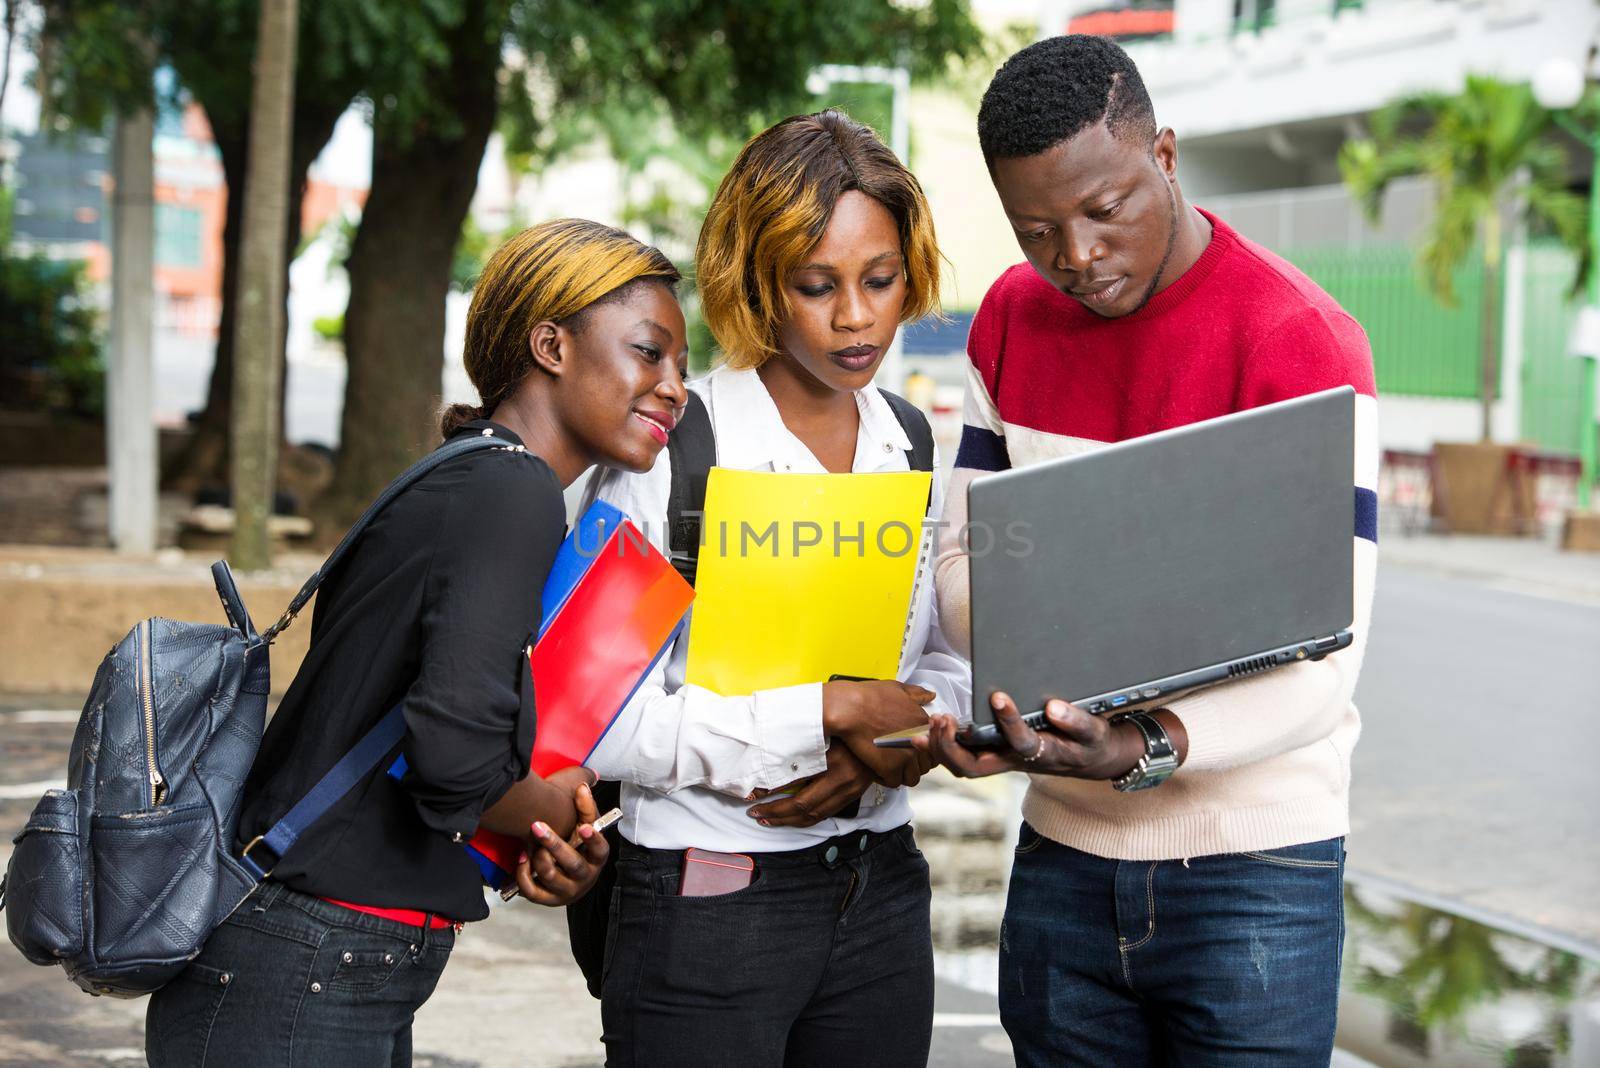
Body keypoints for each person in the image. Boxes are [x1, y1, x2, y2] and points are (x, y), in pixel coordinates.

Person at [919, 36, 1378, 1066]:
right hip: (1061, 862)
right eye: (1036, 228)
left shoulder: (1298, 339)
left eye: (1105, 209)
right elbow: (958, 573)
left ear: (1163, 155)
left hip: (1255, 877)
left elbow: (1324, 661)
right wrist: (1006, 707)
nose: (1075, 255)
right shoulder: (1009, 317)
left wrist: (1140, 742)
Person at [145, 219, 691, 1067]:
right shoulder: (511, 491)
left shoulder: (467, 473)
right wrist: (568, 813)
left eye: (682, 368)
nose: (674, 387)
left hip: (324, 955)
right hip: (309, 960)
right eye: (650, 353)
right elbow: (456, 760)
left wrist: (538, 851)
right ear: (551, 345)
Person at [581, 110, 972, 1068]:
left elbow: (946, 661)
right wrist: (823, 715)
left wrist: (893, 747)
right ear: (758, 282)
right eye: (816, 285)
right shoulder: (670, 447)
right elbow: (602, 717)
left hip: (880, 889)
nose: (856, 317)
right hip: (706, 903)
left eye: (880, 281)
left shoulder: (910, 442)